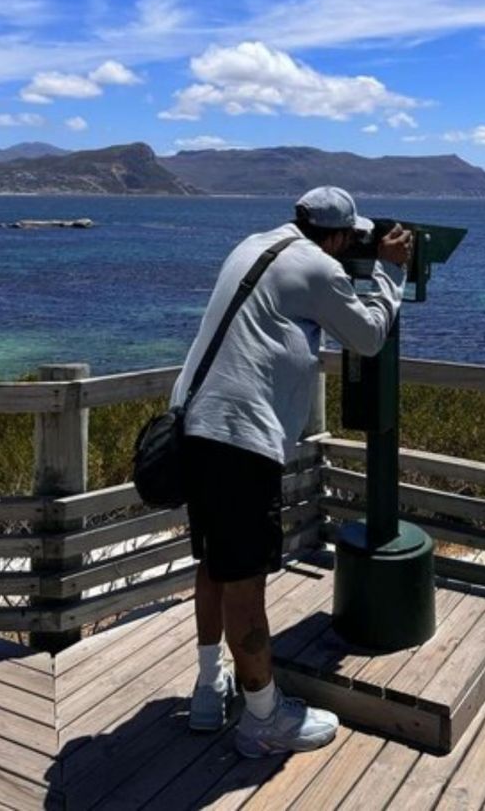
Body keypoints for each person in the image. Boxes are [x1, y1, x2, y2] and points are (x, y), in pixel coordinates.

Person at [175, 186, 411, 756]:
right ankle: (263, 718)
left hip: (195, 422)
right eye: (350, 239)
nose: (350, 248)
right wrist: (391, 273)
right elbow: (369, 335)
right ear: (333, 236)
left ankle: (211, 688)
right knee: (246, 585)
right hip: (242, 440)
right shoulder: (319, 267)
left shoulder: (255, 244)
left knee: (215, 563)